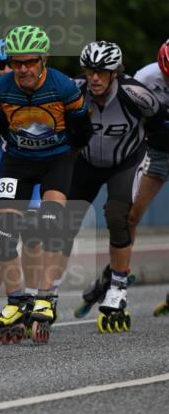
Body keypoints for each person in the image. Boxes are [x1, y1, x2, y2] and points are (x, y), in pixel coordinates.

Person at [0, 24, 93, 341]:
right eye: (17, 62)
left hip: (57, 158)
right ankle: (18, 299)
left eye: (30, 61)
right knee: (1, 233)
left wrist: (65, 154)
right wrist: (19, 146)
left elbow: (83, 131)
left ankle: (45, 296)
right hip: (18, 159)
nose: (23, 68)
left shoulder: (64, 88)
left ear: (43, 59)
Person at [56, 40, 169, 329]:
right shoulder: (72, 90)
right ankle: (49, 292)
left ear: (115, 73)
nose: (95, 77)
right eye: (90, 71)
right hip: (87, 161)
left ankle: (117, 289)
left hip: (127, 161)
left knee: (119, 217)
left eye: (103, 72)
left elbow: (158, 129)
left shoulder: (136, 94)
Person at [0, 38, 43, 321]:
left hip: (41, 168)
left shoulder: (45, 89)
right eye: (1, 65)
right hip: (9, 167)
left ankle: (31, 296)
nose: (6, 70)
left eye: (14, 64)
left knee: (32, 237)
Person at [128, 39, 169, 242]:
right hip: (157, 150)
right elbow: (129, 115)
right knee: (131, 216)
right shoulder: (145, 77)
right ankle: (119, 271)